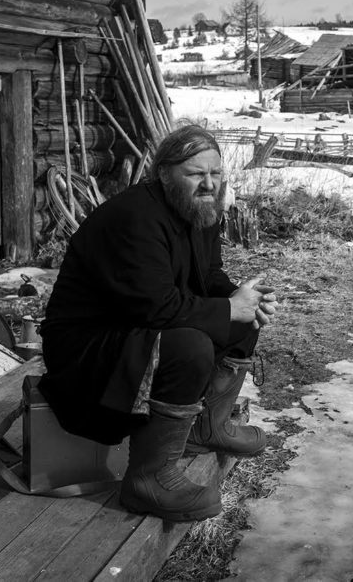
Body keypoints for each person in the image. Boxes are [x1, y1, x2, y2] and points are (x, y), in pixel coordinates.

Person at [38, 124, 277, 522]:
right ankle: (148, 478)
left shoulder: (201, 210)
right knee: (188, 346)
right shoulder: (134, 217)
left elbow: (209, 276)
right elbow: (154, 308)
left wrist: (243, 299)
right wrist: (227, 308)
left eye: (216, 173)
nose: (209, 183)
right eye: (196, 173)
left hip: (139, 326)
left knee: (242, 318)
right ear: (164, 174)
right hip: (87, 348)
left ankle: (206, 427)